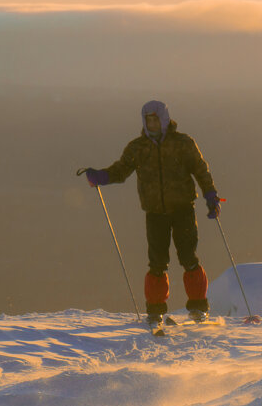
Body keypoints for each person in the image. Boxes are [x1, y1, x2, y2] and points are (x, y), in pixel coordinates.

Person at [83, 100, 222, 323]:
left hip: (183, 208)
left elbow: (200, 169)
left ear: (164, 119)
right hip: (155, 212)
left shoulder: (183, 143)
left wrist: (211, 196)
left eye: (156, 119)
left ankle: (198, 307)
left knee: (188, 257)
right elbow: (121, 170)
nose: (152, 123)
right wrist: (101, 176)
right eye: (149, 120)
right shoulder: (138, 148)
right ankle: (156, 310)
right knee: (157, 261)